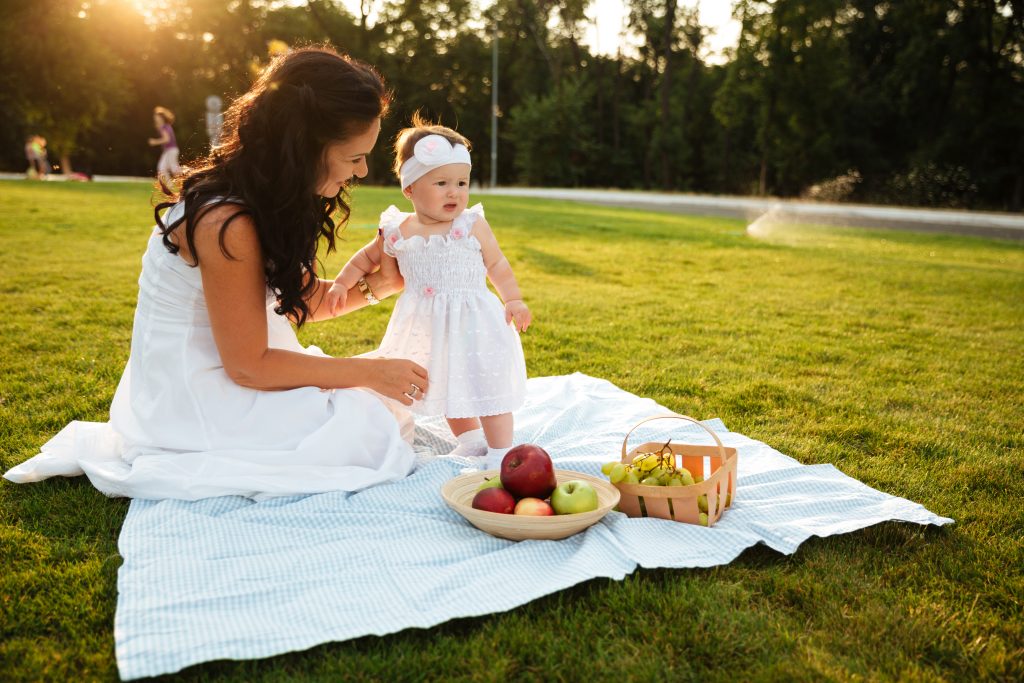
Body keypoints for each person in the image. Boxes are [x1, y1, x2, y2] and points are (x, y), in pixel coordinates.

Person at [3, 47, 428, 500]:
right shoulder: (225, 220)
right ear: (305, 147)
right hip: (194, 399)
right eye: (354, 157)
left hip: (233, 375)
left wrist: (377, 283)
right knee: (368, 432)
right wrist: (368, 371)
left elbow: (296, 302)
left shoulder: (263, 195)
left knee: (374, 417)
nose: (362, 171)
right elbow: (248, 365)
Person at [325, 115, 532, 469]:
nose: (455, 192)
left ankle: (500, 451)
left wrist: (512, 298)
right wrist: (343, 283)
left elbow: (496, 264)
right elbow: (364, 260)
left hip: (476, 322)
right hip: (428, 327)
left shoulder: (471, 225)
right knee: (446, 383)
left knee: (485, 385)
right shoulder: (397, 230)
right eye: (441, 183)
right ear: (410, 189)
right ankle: (469, 440)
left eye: (462, 183)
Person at [149, 106, 180, 190]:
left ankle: (187, 179)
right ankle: (170, 187)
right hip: (169, 151)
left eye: (157, 117)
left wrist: (155, 142)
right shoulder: (165, 126)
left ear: (162, 118)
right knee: (162, 168)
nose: (155, 118)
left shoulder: (163, 127)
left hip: (171, 150)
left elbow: (167, 139)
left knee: (174, 169)